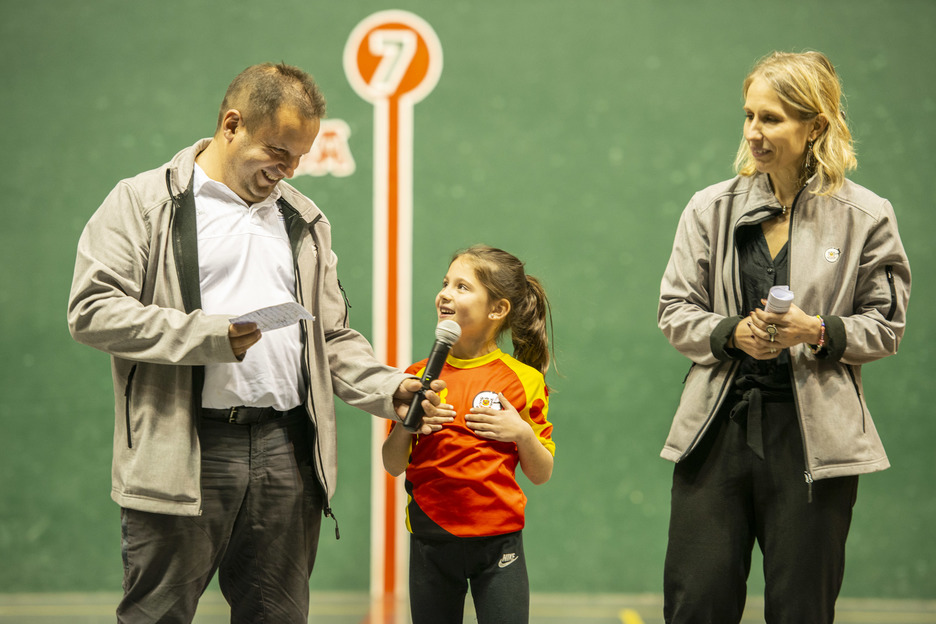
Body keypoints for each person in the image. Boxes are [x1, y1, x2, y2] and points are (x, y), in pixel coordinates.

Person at [66, 62, 442, 623]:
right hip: (187, 450)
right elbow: (92, 310)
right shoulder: (142, 203)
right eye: (277, 151)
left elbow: (329, 337)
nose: (287, 170)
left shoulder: (304, 220)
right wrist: (210, 336)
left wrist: (390, 389)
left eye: (299, 157)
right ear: (232, 125)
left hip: (285, 452)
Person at [657, 50, 911, 623]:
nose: (753, 132)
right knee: (696, 604)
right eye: (749, 116)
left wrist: (816, 330)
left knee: (802, 611)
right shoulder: (708, 209)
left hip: (814, 445)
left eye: (770, 118)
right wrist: (733, 333)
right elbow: (674, 310)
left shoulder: (867, 215)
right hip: (717, 433)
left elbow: (886, 326)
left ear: (814, 126)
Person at [382, 245, 556, 624]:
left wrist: (523, 434)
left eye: (462, 287)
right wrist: (409, 425)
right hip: (430, 540)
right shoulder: (416, 376)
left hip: (499, 545)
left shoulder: (524, 380)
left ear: (497, 309)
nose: (445, 294)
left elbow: (541, 473)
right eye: (445, 283)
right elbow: (392, 464)